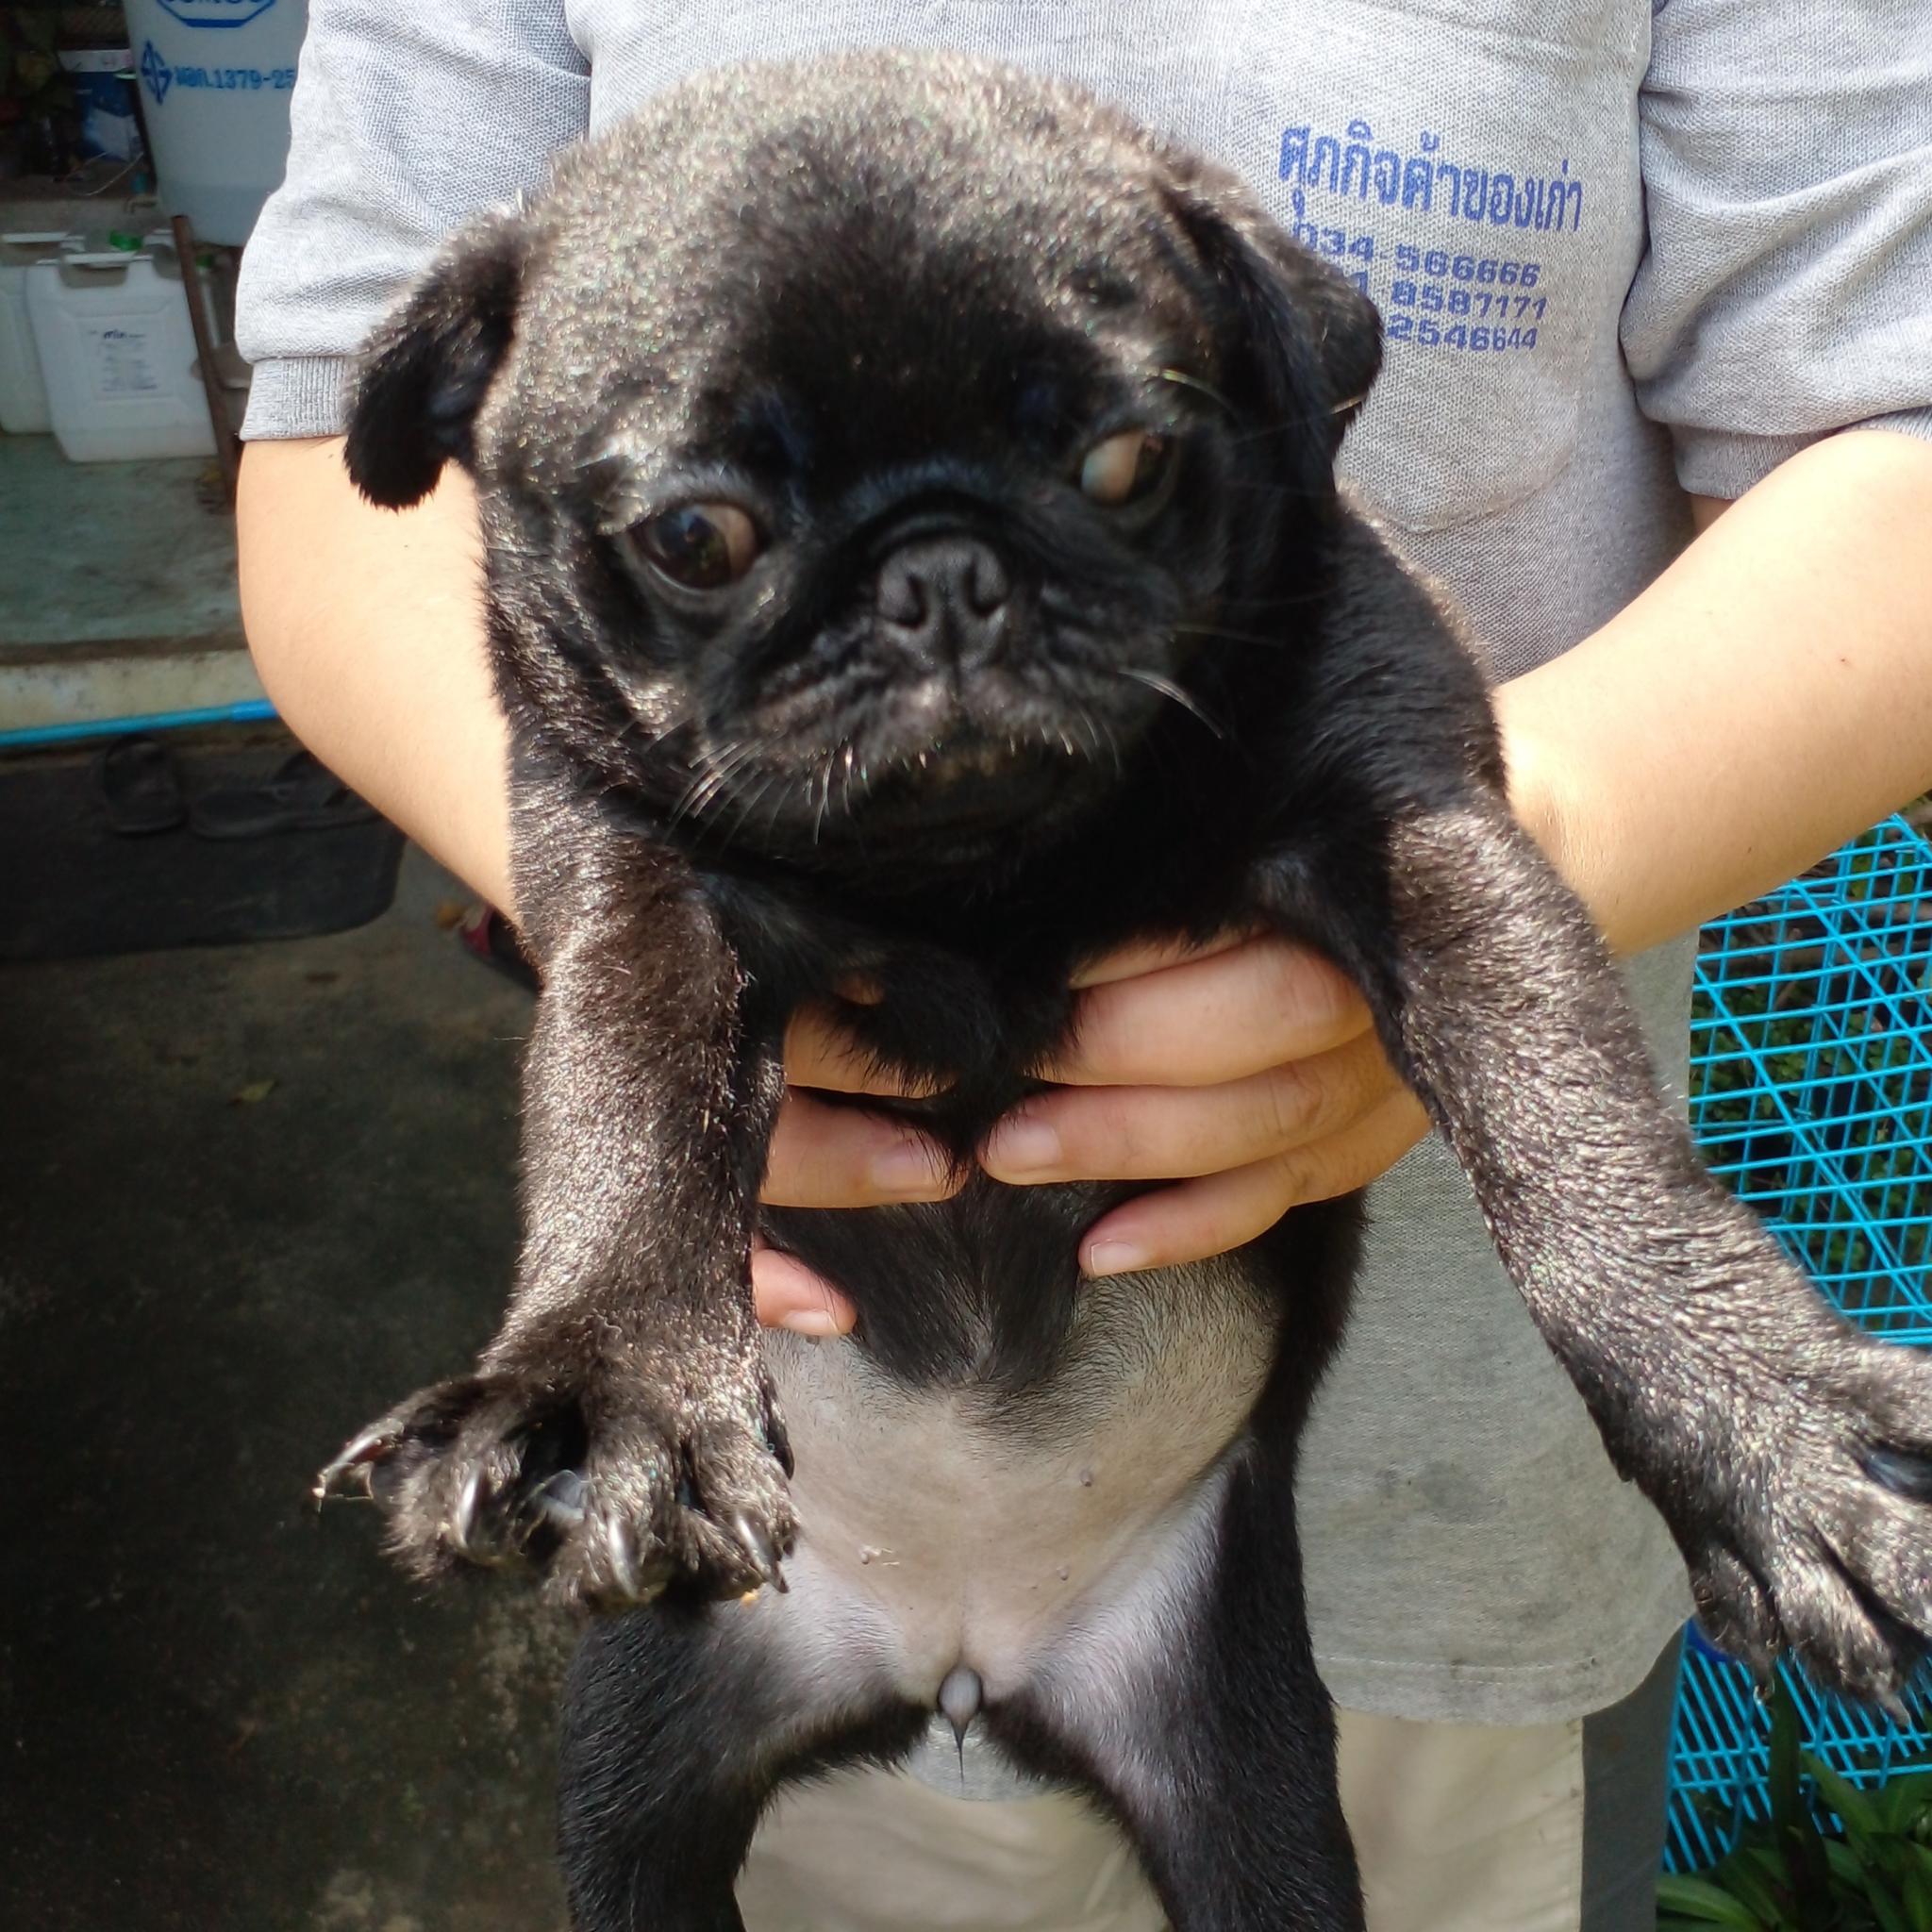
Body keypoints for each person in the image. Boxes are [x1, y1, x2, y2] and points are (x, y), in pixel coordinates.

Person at [232, 5, 1932, 1927]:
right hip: (779, 1489)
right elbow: (330, 471)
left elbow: (1889, 439)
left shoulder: (1298, 620)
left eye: (1119, 470)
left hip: (1418, 1543)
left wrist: (1696, 1329)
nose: (940, 612)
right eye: (706, 537)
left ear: (1272, 381)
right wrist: (613, 1294)